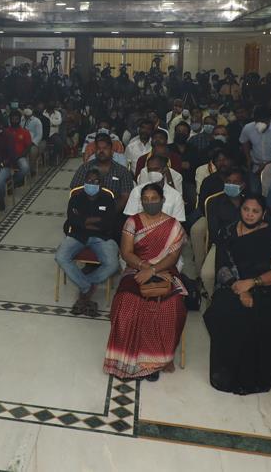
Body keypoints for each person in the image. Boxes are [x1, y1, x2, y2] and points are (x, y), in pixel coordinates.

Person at [205, 194, 271, 394]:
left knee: (266, 315)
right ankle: (227, 372)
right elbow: (222, 267)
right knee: (222, 311)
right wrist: (240, 290)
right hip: (232, 284)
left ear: (263, 213)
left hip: (266, 284)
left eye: (255, 211)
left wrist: (252, 283)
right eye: (246, 209)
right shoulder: (227, 232)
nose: (250, 215)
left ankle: (255, 376)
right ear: (240, 210)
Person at [104, 183, 188, 381]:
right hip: (136, 268)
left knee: (171, 305)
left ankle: (156, 361)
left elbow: (173, 258)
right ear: (141, 202)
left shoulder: (174, 225)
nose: (150, 203)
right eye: (146, 200)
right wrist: (143, 266)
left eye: (154, 199)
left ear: (162, 200)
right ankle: (126, 359)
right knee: (126, 302)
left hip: (165, 270)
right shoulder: (132, 222)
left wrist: (152, 270)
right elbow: (126, 253)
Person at [56, 169, 120, 316]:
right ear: (84, 182)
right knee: (60, 256)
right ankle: (86, 286)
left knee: (113, 264)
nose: (92, 184)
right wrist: (94, 221)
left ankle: (87, 283)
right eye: (89, 181)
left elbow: (109, 223)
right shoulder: (76, 198)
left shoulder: (108, 199)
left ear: (101, 184)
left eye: (96, 181)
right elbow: (72, 220)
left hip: (102, 237)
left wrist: (84, 221)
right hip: (77, 235)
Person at [71, 135, 134, 216]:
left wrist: (108, 214)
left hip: (113, 213)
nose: (101, 151)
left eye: (105, 148)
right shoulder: (85, 168)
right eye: (98, 148)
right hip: (86, 212)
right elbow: (75, 192)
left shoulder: (122, 171)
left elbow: (125, 197)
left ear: (111, 150)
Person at [125, 155, 186, 222]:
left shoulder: (175, 196)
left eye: (156, 169)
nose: (152, 173)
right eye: (150, 170)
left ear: (165, 170)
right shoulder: (137, 191)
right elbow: (131, 217)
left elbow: (178, 222)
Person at [239, 106, 271, 173]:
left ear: (270, 119)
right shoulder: (248, 128)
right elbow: (244, 141)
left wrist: (267, 165)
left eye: (263, 121)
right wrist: (248, 158)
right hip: (256, 166)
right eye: (258, 121)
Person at [4, 110, 33, 185]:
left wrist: (19, 156)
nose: (14, 121)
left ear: (20, 120)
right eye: (12, 119)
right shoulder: (5, 131)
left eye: (16, 119)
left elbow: (28, 147)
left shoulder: (25, 132)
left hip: (20, 156)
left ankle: (14, 181)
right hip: (7, 157)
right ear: (10, 120)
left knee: (25, 168)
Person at [20, 105, 43, 174]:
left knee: (32, 151)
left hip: (33, 143)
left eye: (29, 108)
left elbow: (39, 135)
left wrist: (32, 143)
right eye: (26, 108)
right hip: (21, 141)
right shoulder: (21, 119)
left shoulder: (37, 121)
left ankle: (31, 169)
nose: (27, 110)